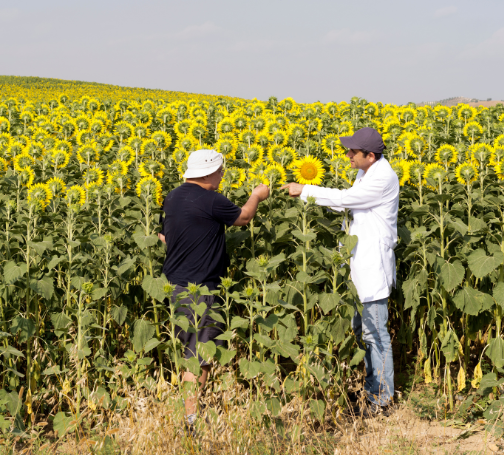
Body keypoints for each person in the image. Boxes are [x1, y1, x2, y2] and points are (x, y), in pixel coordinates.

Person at [281, 127, 399, 418]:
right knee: (361, 332)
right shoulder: (367, 171)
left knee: (375, 334)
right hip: (357, 264)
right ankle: (368, 390)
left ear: (370, 156)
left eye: (353, 152)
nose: (348, 155)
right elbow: (348, 201)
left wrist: (306, 190)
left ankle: (381, 402)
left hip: (372, 267)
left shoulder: (382, 177)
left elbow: (348, 200)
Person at [158, 149, 269, 434]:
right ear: (208, 172)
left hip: (176, 285)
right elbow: (243, 218)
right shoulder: (210, 199)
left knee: (190, 349)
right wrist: (257, 195)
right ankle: (191, 421)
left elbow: (163, 235)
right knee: (201, 355)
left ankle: (189, 412)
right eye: (220, 171)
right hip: (201, 287)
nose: (222, 176)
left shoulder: (173, 196)